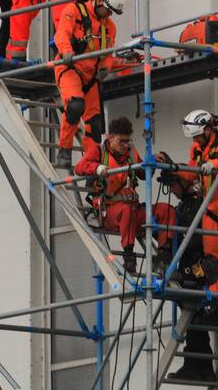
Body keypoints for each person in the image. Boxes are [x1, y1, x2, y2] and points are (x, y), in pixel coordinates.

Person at [157, 109, 218, 382]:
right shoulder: (197, 149)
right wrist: (173, 169)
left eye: (199, 135)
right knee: (211, 258)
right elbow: (191, 177)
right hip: (210, 206)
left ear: (208, 128)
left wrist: (216, 164)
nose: (196, 141)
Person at [74, 117, 175, 276]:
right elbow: (79, 168)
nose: (126, 145)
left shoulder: (131, 152)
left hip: (134, 210)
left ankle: (163, 255)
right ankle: (129, 257)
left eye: (128, 141)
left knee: (166, 210)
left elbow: (142, 174)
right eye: (122, 141)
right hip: (110, 212)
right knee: (126, 211)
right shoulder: (99, 151)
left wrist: (150, 161)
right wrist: (97, 167)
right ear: (110, 137)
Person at [52, 0, 125, 168]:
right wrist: (67, 51)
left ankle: (90, 166)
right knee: (75, 106)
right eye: (108, 10)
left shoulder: (109, 27)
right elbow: (62, 34)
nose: (109, 15)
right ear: (99, 0)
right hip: (69, 68)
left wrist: (106, 67)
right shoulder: (73, 11)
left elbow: (108, 53)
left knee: (95, 124)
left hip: (91, 76)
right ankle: (64, 149)